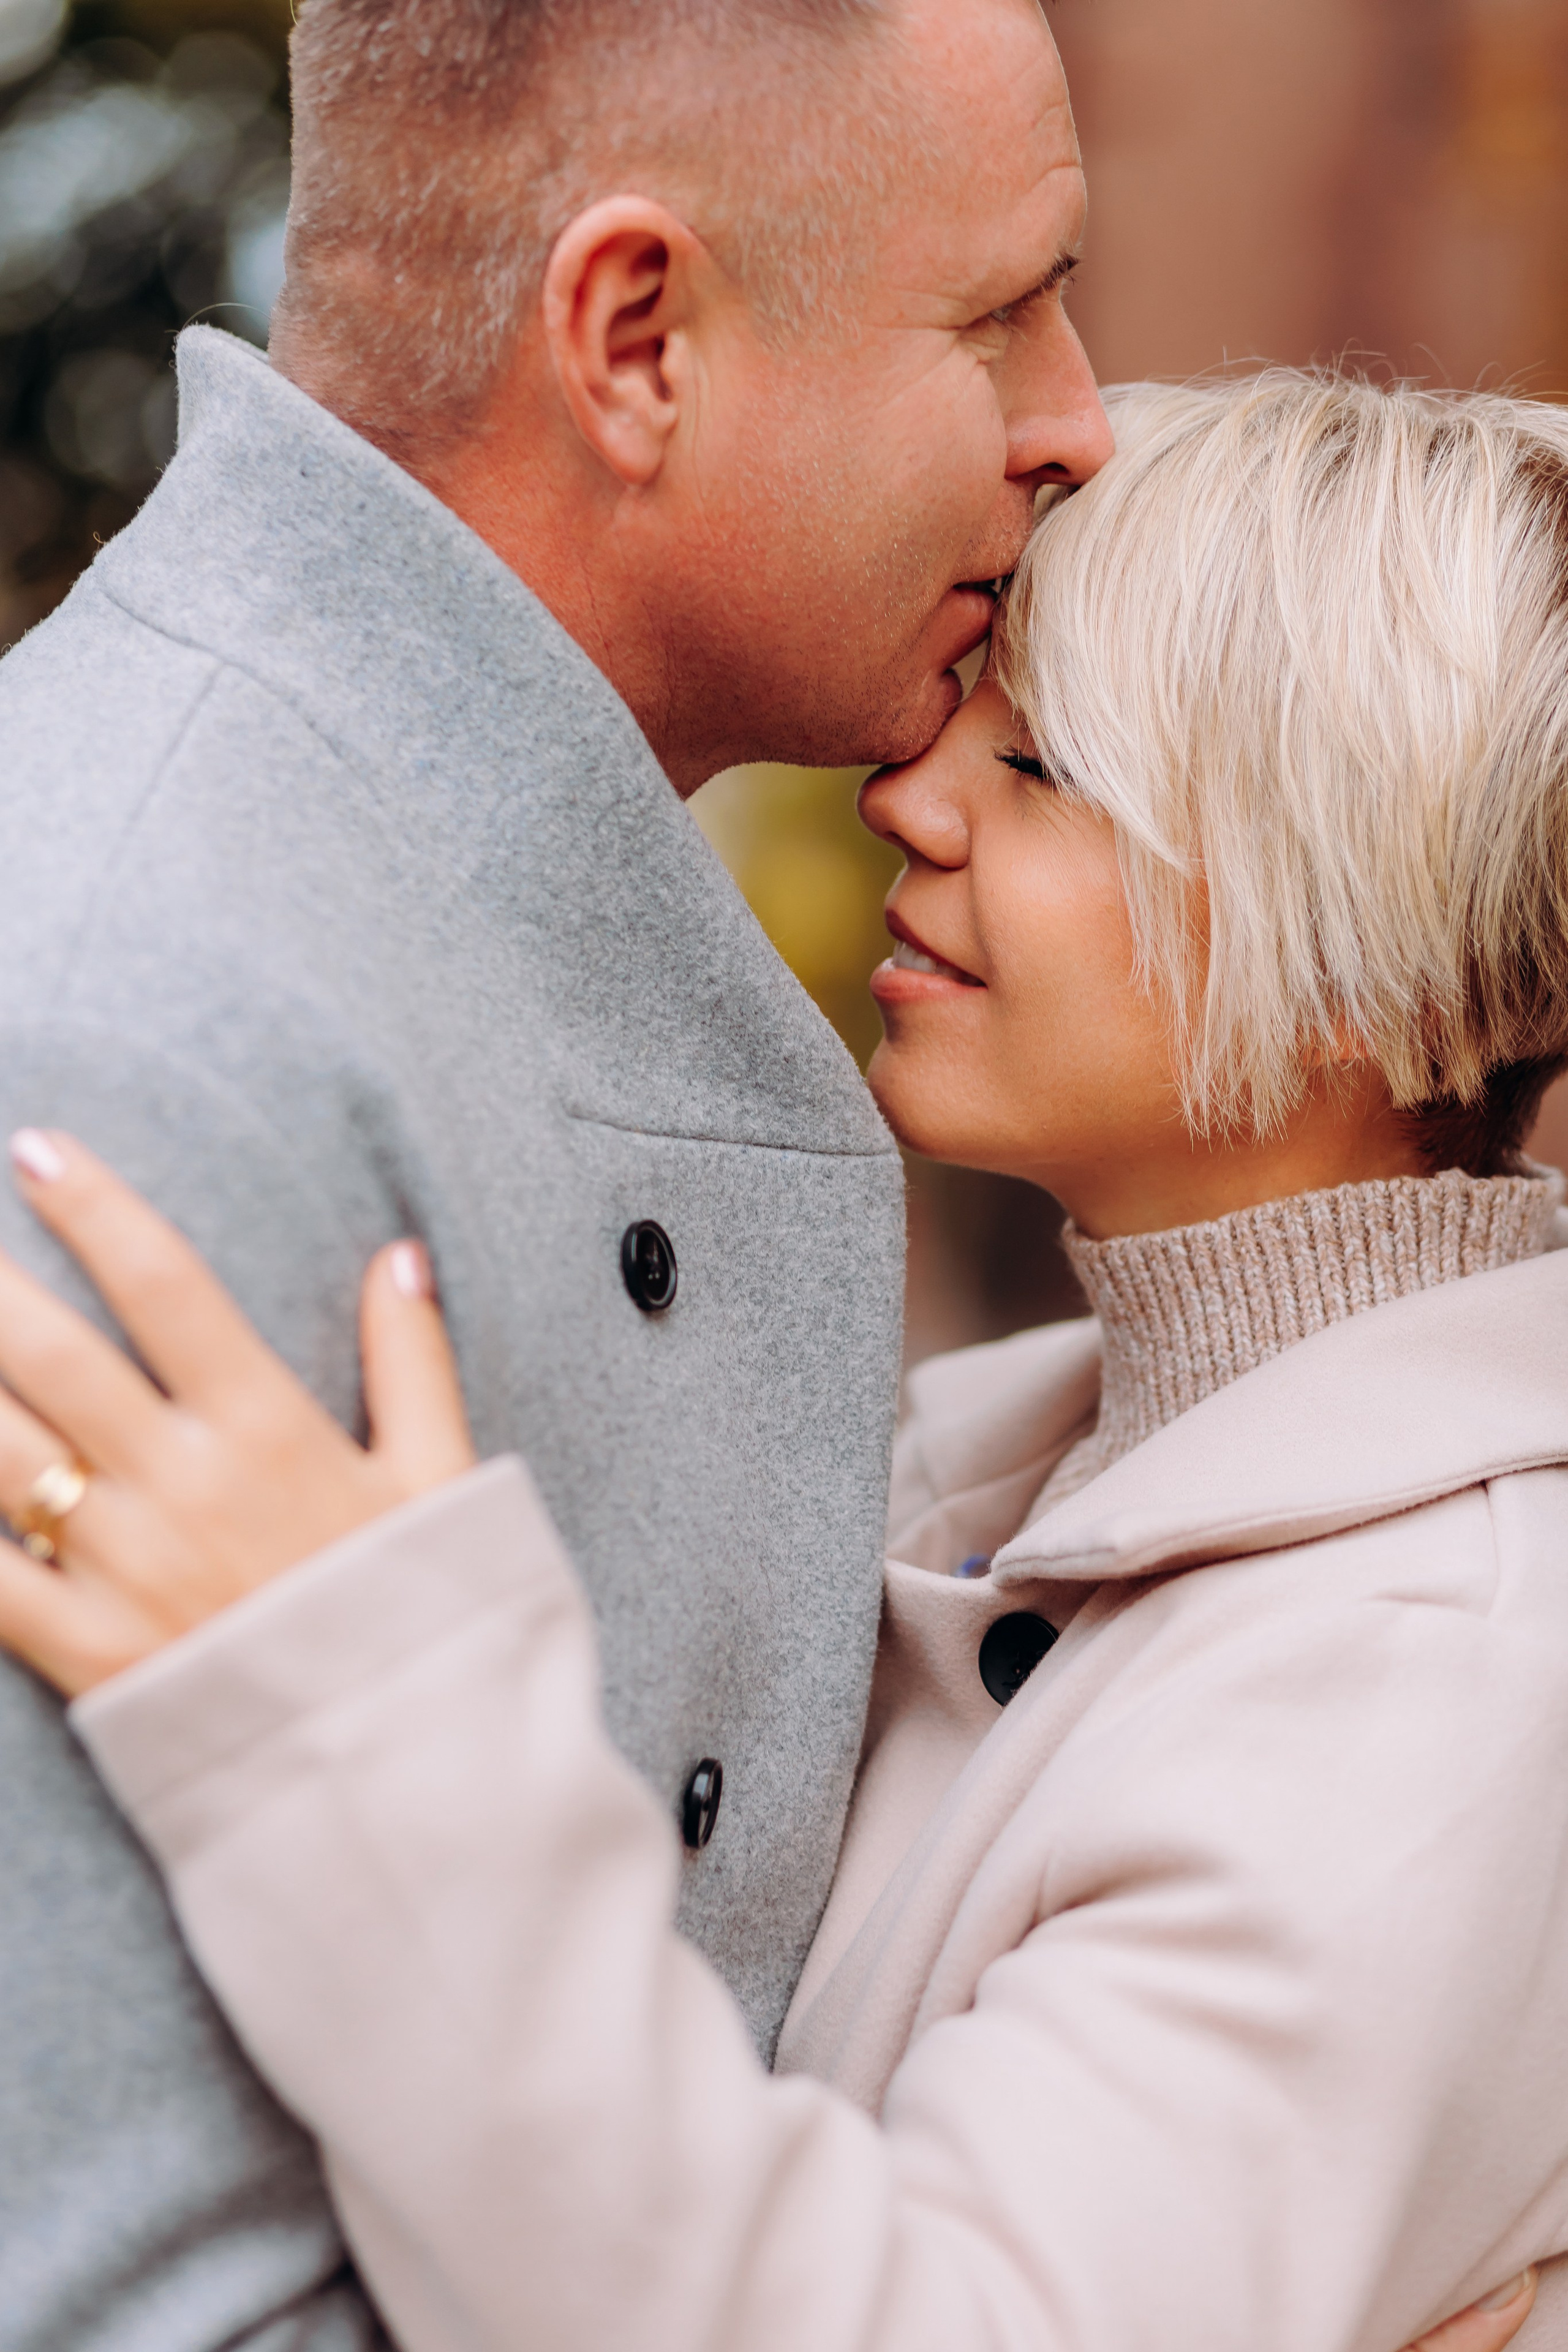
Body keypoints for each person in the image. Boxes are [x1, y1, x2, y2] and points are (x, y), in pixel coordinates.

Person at [0, 369, 1564, 2352]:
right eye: (966, 717)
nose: (908, 796)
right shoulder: (1022, 1483)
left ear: (1373, 954)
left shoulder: (1421, 1683)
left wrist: (347, 1711)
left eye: (1050, 769)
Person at [0, 1, 1113, 2342]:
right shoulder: (130, 1057)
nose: (1074, 420)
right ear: (636, 342)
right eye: (997, 307)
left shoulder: (423, 896)